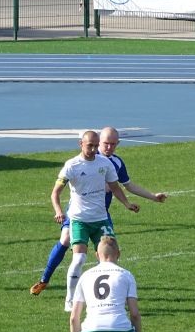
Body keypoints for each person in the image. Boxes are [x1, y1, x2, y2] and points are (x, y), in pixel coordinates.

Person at [31, 126, 163, 296]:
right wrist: (59, 210)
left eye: (113, 144)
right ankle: (45, 280)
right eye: (106, 143)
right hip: (78, 213)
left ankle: (103, 292)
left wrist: (152, 197)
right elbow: (58, 190)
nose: (109, 147)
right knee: (65, 240)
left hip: (100, 214)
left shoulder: (114, 163)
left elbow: (127, 185)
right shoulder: (80, 161)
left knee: (109, 251)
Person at [51, 130, 140, 312]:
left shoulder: (105, 164)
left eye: (95, 145)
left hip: (101, 219)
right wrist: (59, 211)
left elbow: (115, 187)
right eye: (89, 145)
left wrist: (127, 204)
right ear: (80, 144)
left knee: (110, 259)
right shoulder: (72, 165)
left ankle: (111, 299)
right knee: (79, 259)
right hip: (79, 220)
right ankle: (70, 299)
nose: (92, 149)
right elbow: (55, 193)